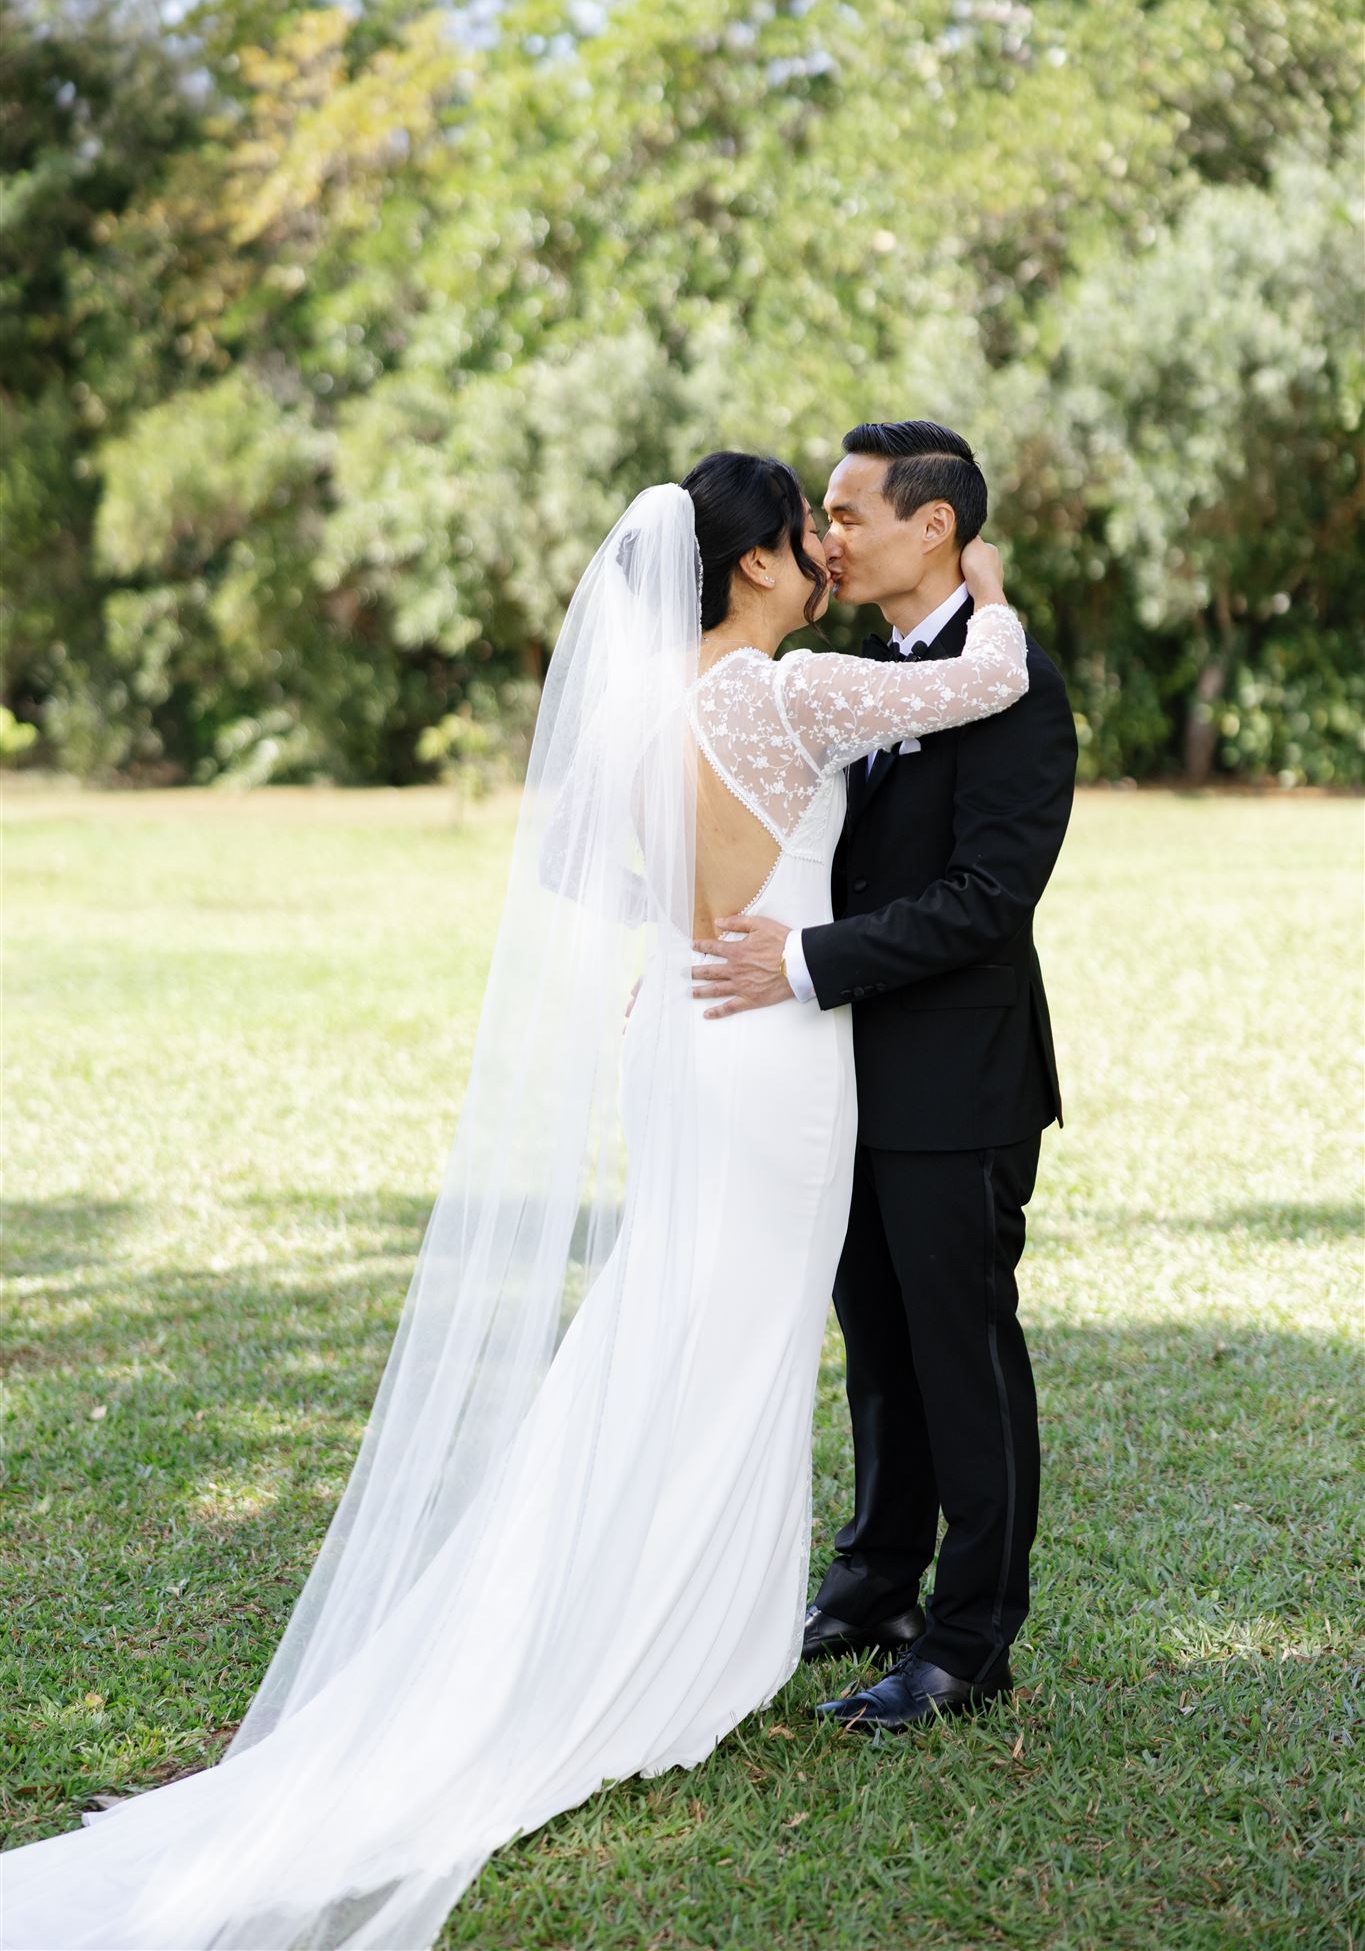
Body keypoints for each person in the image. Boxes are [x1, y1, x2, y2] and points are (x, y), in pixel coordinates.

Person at [0, 455, 1028, 1951]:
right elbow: (977, 683)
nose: (820, 557)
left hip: (681, 1024)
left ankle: (660, 1607)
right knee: (725, 1340)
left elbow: (569, 866)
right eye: (802, 538)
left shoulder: (642, 706)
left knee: (670, 1319)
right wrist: (985, 592)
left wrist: (675, 920)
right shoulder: (780, 690)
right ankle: (673, 1640)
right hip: (771, 1050)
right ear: (750, 567)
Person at [690, 423, 1078, 1731]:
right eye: (823, 517)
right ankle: (873, 1582)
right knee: (877, 1345)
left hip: (956, 1079)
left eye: (851, 513)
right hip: (836, 1076)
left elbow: (985, 899)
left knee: (958, 1352)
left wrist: (801, 961)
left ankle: (968, 1639)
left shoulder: (1015, 683)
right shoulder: (855, 677)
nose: (829, 538)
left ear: (936, 527)